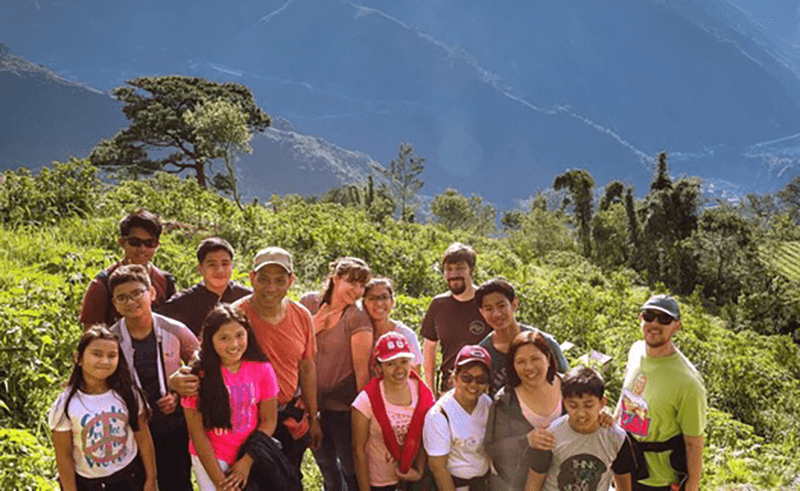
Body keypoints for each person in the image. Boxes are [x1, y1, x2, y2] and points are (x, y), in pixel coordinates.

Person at [170, 246, 322, 472]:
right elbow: (206, 358)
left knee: (289, 481)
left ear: (291, 281)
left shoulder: (301, 316)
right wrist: (175, 381)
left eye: (279, 280)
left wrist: (313, 416)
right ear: (252, 278)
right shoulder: (236, 315)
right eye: (264, 279)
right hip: (245, 424)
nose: (271, 288)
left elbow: (307, 367)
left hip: (289, 417)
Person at [107, 264, 199, 491]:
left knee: (176, 482)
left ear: (152, 293)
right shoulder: (110, 339)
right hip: (130, 426)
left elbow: (201, 364)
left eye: (137, 293)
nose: (130, 301)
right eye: (122, 298)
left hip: (172, 422)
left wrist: (177, 392)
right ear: (115, 305)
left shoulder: (175, 330)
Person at [182, 304, 280, 490]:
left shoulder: (262, 369)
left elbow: (269, 420)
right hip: (212, 459)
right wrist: (219, 482)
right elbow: (197, 433)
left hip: (251, 454)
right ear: (210, 340)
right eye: (224, 338)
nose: (234, 344)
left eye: (239, 335)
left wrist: (247, 462)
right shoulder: (197, 375)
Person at [49, 326, 158, 491]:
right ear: (78, 358)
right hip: (88, 483)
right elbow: (63, 455)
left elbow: (143, 436)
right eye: (97, 354)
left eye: (112, 356)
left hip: (130, 477)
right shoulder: (66, 404)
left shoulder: (128, 394)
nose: (105, 361)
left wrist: (151, 478)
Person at [615, 295, 706, 491]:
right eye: (649, 316)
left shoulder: (687, 382)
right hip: (623, 466)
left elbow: (694, 443)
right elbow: (626, 396)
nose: (654, 324)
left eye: (664, 319)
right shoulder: (636, 352)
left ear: (677, 326)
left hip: (660, 482)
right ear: (641, 319)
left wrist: (691, 487)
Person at [301, 257, 373, 491]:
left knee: (349, 467)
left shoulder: (357, 316)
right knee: (325, 465)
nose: (357, 290)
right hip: (309, 402)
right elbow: (291, 348)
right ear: (336, 278)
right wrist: (315, 326)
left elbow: (362, 371)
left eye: (362, 285)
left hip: (342, 404)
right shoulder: (308, 303)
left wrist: (365, 416)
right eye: (352, 282)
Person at [525, 366, 634, 491]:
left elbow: (624, 484)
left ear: (602, 403)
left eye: (588, 405)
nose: (581, 413)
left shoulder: (616, 438)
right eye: (573, 405)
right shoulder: (550, 436)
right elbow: (534, 484)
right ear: (564, 402)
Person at [484, 330, 566, 490]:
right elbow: (493, 448)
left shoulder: (568, 387)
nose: (529, 367)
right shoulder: (506, 400)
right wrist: (526, 441)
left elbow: (590, 413)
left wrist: (603, 418)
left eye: (535, 358)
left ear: (548, 358)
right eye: (521, 361)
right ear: (513, 366)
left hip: (565, 481)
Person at [352, 332, 435, 491]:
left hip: (415, 477)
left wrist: (419, 471)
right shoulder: (366, 401)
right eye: (390, 364)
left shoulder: (423, 394)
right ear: (379, 368)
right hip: (381, 481)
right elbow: (358, 450)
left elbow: (428, 438)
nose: (399, 369)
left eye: (404, 361)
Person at [80, 209, 176, 329]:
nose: (142, 249)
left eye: (149, 243)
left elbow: (172, 327)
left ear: (157, 245)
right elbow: (91, 334)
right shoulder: (102, 284)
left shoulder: (165, 281)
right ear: (122, 242)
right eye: (135, 242)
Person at [476, 278, 568, 396]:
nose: (496, 314)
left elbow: (567, 384)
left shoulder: (544, 343)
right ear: (482, 312)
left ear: (515, 304)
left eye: (501, 306)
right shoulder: (482, 353)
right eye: (489, 309)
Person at [421, 242, 490, 394]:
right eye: (449, 269)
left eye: (460, 268)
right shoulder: (438, 304)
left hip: (484, 389)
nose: (453, 274)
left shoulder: (486, 302)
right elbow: (429, 349)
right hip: (449, 389)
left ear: (471, 270)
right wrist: (430, 390)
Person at [423, 345, 493, 491]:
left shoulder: (487, 404)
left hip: (484, 484)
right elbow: (439, 469)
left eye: (480, 379)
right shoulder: (440, 415)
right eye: (466, 378)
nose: (473, 385)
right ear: (454, 377)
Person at [157, 237, 251, 336]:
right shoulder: (183, 302)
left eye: (225, 264)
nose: (219, 270)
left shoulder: (246, 297)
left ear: (232, 266)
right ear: (200, 269)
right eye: (212, 264)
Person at [363, 277, 422, 375]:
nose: (379, 303)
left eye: (384, 297)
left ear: (392, 301)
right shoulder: (358, 334)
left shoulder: (406, 335)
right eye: (372, 298)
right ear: (364, 302)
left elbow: (415, 375)